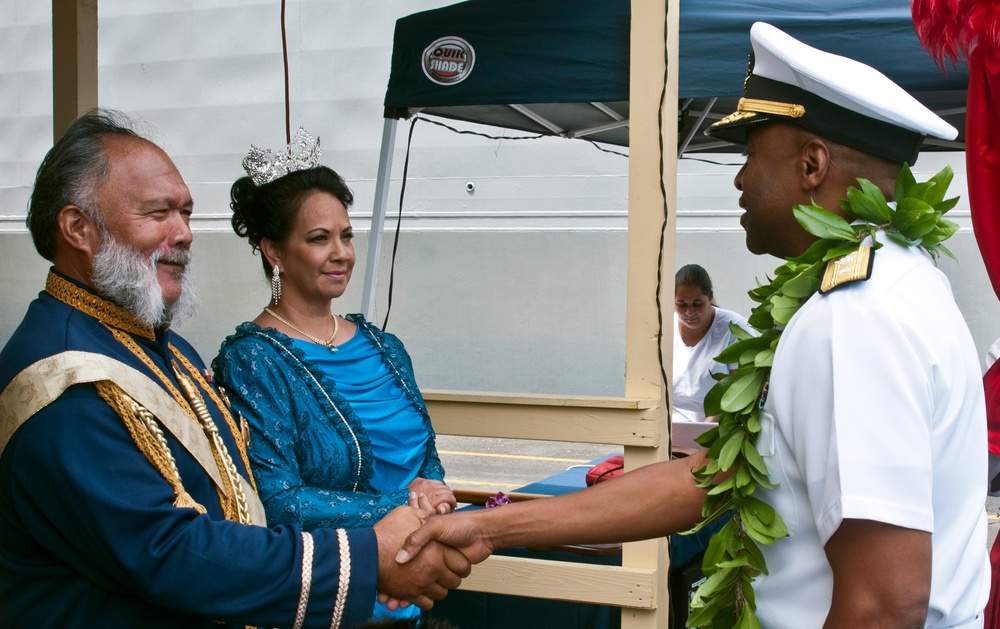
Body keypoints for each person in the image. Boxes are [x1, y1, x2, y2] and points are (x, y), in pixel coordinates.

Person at [395, 22, 989, 628]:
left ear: (812, 164)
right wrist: (489, 524)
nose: (739, 178)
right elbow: (711, 478)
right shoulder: (897, 280)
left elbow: (884, 606)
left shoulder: (857, 317)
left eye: (751, 153)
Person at [0, 109, 470, 628]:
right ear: (77, 228)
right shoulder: (63, 382)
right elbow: (169, 552)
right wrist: (366, 558)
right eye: (158, 213)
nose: (183, 234)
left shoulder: (166, 348)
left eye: (185, 212)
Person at [212, 129, 456, 622]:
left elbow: (425, 459)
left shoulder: (384, 347)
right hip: (331, 603)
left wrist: (433, 495)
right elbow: (276, 501)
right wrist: (401, 505)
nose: (342, 252)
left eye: (346, 234)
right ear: (274, 252)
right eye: (319, 238)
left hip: (415, 596)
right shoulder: (254, 361)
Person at [672, 263, 752, 422]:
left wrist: (705, 437)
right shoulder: (662, 329)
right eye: (681, 305)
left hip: (717, 429)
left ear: (710, 298)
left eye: (697, 304)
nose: (689, 312)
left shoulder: (735, 328)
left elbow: (740, 392)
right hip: (668, 429)